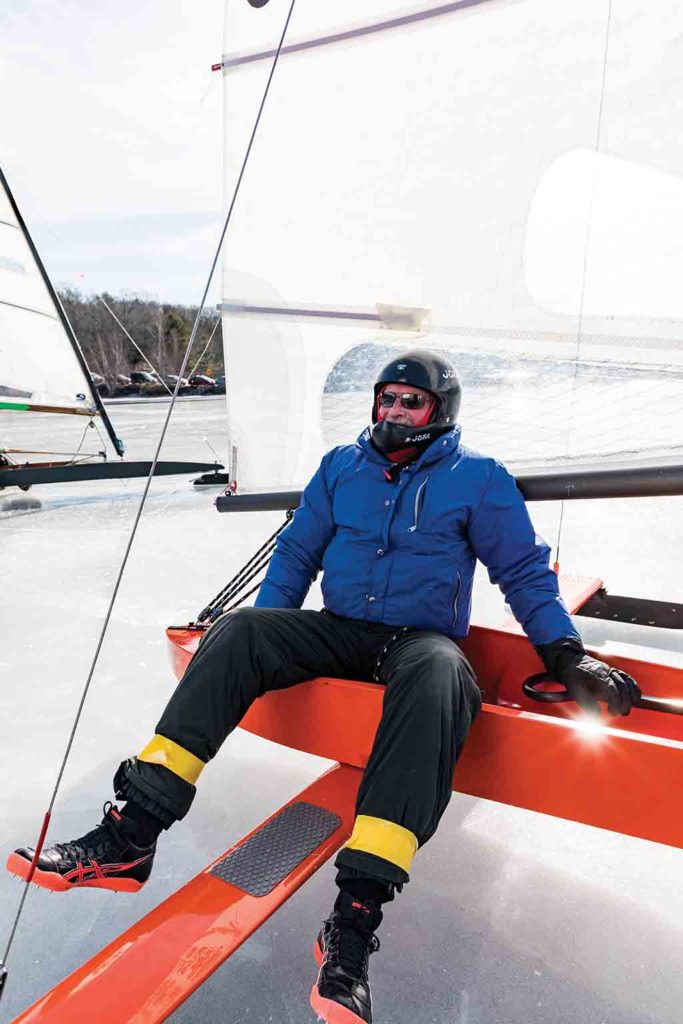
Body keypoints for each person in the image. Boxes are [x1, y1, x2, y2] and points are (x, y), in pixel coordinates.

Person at [8, 350, 640, 1024]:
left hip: (414, 642)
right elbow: (298, 553)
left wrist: (565, 654)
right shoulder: (342, 466)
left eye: (410, 402)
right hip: (339, 629)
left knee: (438, 673)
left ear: (440, 411)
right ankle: (132, 835)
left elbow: (520, 571)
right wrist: (267, 630)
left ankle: (352, 921)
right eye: (386, 400)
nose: (393, 413)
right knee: (244, 631)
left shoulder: (477, 479)